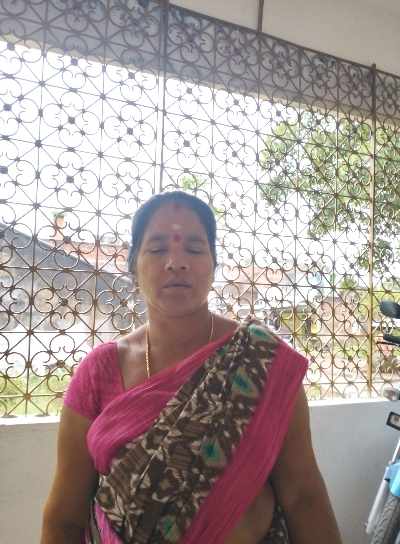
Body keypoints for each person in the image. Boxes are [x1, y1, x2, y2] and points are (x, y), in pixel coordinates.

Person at [41, 191, 342, 544]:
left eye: (195, 249)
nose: (176, 262)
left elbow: (303, 495)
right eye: (157, 249)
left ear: (214, 265)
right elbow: (65, 518)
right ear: (133, 266)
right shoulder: (98, 372)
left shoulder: (261, 360)